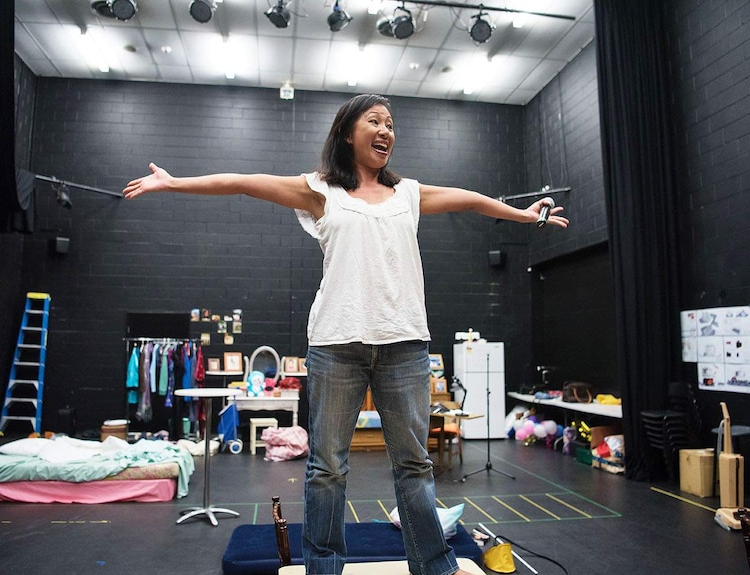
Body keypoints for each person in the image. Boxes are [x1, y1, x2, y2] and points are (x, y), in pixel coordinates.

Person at [124, 94, 568, 575]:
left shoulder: (410, 194)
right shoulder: (321, 191)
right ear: (346, 133)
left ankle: (433, 565)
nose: (386, 131)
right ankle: (324, 567)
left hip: (404, 346)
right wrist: (172, 183)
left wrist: (526, 216)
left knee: (414, 465)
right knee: (327, 469)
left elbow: (471, 199)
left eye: (391, 125)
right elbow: (244, 183)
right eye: (374, 121)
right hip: (336, 346)